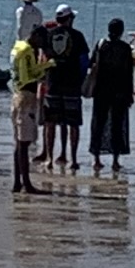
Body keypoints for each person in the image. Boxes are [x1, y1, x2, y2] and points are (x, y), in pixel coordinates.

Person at [89, 20, 135, 172]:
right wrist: (130, 94)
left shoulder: (101, 44)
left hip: (101, 90)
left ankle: (96, 159)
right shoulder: (125, 48)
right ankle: (115, 160)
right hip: (119, 92)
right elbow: (129, 73)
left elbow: (91, 65)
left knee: (98, 124)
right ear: (121, 31)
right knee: (117, 125)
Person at [44, 10, 86, 172]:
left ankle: (49, 158)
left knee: (50, 123)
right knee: (73, 124)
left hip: (53, 83)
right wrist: (81, 80)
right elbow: (84, 61)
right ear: (69, 19)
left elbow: (44, 57)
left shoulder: (49, 34)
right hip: (71, 85)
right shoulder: (78, 36)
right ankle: (73, 159)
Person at [9, 20, 47, 193]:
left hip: (16, 94)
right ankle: (26, 184)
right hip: (25, 96)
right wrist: (47, 67)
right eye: (41, 41)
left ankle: (18, 182)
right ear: (36, 37)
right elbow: (27, 77)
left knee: (19, 142)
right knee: (24, 143)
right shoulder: (26, 51)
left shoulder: (18, 47)